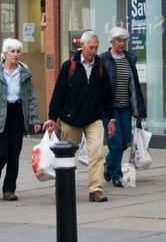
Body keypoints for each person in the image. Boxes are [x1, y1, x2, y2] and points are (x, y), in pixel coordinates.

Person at [44, 31, 114, 202]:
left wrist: (111, 119)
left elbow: (107, 96)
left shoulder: (100, 68)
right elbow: (59, 93)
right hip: (71, 118)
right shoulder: (70, 66)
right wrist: (52, 117)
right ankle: (64, 188)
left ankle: (95, 189)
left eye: (96, 48)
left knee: (97, 153)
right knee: (66, 155)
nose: (93, 51)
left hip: (94, 118)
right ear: (81, 46)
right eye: (90, 47)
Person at [0, 39, 40, 201]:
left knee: (14, 153)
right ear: (5, 53)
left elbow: (30, 97)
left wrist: (35, 118)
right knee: (1, 153)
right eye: (12, 51)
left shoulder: (24, 72)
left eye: (18, 51)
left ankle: (9, 189)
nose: (15, 55)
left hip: (17, 114)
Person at [100, 27, 145, 187]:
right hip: (109, 109)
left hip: (125, 107)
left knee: (125, 141)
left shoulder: (129, 59)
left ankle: (108, 162)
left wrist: (138, 109)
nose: (122, 44)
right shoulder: (103, 59)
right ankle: (116, 175)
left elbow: (134, 87)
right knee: (115, 142)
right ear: (112, 42)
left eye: (124, 40)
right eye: (119, 40)